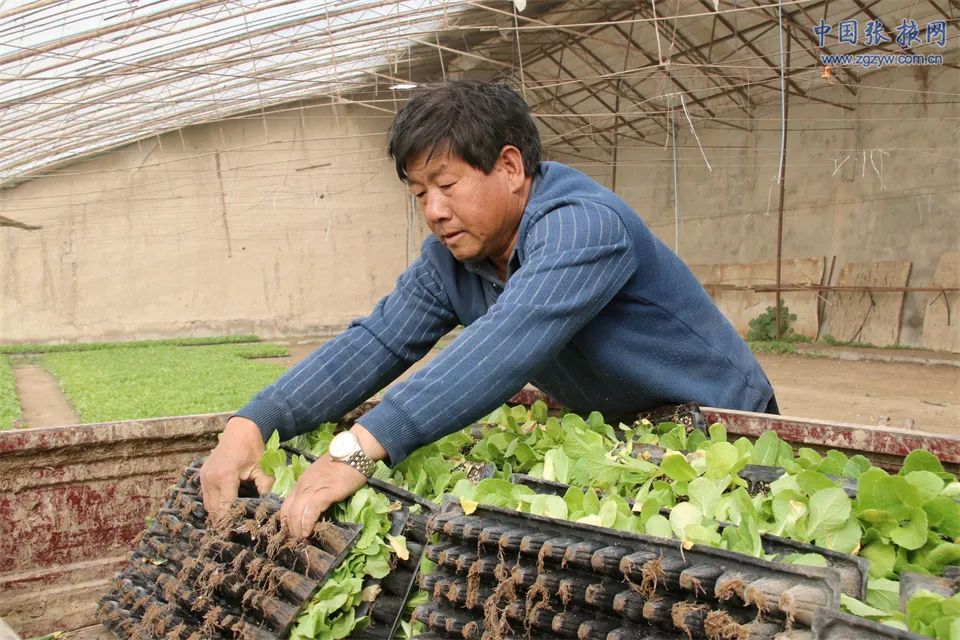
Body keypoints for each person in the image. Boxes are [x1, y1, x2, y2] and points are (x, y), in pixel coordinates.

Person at [200, 80, 777, 537]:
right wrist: (253, 424)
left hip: (724, 433)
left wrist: (359, 451)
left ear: (509, 167)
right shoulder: (451, 261)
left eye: (446, 184)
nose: (433, 209)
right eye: (419, 193)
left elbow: (507, 339)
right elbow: (377, 342)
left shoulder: (585, 226)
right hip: (621, 442)